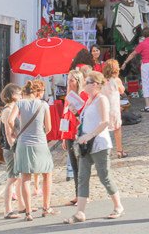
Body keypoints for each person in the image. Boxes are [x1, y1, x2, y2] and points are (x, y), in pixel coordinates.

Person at [64, 71, 124, 223]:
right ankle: (80, 213)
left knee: (104, 176)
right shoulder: (89, 100)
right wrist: (76, 113)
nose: (84, 84)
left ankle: (118, 206)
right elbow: (86, 120)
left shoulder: (101, 99)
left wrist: (89, 136)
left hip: (99, 144)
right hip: (86, 145)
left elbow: (104, 122)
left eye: (87, 81)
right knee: (82, 176)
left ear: (96, 84)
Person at [9, 80, 55, 220]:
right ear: (36, 92)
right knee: (47, 174)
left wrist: (16, 133)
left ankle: (28, 212)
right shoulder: (43, 105)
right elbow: (48, 128)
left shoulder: (20, 103)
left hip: (23, 143)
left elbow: (10, 120)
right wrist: (40, 134)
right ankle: (46, 208)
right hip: (40, 142)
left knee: (25, 177)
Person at [60, 70, 87, 206]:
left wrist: (76, 112)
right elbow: (64, 117)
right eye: (68, 79)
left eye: (72, 80)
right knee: (75, 166)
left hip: (80, 134)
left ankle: (83, 195)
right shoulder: (68, 97)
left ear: (78, 81)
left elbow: (85, 116)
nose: (69, 82)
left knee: (82, 166)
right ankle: (78, 194)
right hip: (69, 134)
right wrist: (63, 137)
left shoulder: (84, 95)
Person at [0, 84, 25, 219]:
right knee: (12, 178)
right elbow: (9, 134)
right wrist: (14, 148)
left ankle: (22, 206)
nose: (21, 96)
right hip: (11, 149)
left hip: (14, 147)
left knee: (18, 177)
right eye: (20, 94)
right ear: (13, 95)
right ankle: (8, 210)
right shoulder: (8, 111)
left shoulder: (12, 109)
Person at [123, 26, 149, 111]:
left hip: (146, 64)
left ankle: (147, 106)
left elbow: (133, 54)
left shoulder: (142, 44)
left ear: (143, 35)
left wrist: (125, 62)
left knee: (146, 84)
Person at [101, 59, 126, 159]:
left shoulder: (102, 81)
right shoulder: (116, 80)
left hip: (104, 107)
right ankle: (119, 150)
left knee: (104, 130)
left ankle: (107, 151)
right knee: (117, 128)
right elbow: (122, 91)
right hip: (114, 107)